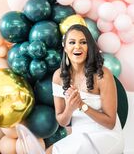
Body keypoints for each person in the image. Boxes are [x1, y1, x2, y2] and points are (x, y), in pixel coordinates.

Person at [46, 24, 124, 154]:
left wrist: (82, 105)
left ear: (89, 47)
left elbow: (110, 122)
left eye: (83, 42)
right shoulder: (58, 77)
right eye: (72, 42)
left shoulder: (102, 75)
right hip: (79, 137)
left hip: (106, 136)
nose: (77, 46)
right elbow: (62, 121)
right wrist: (70, 109)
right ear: (65, 47)